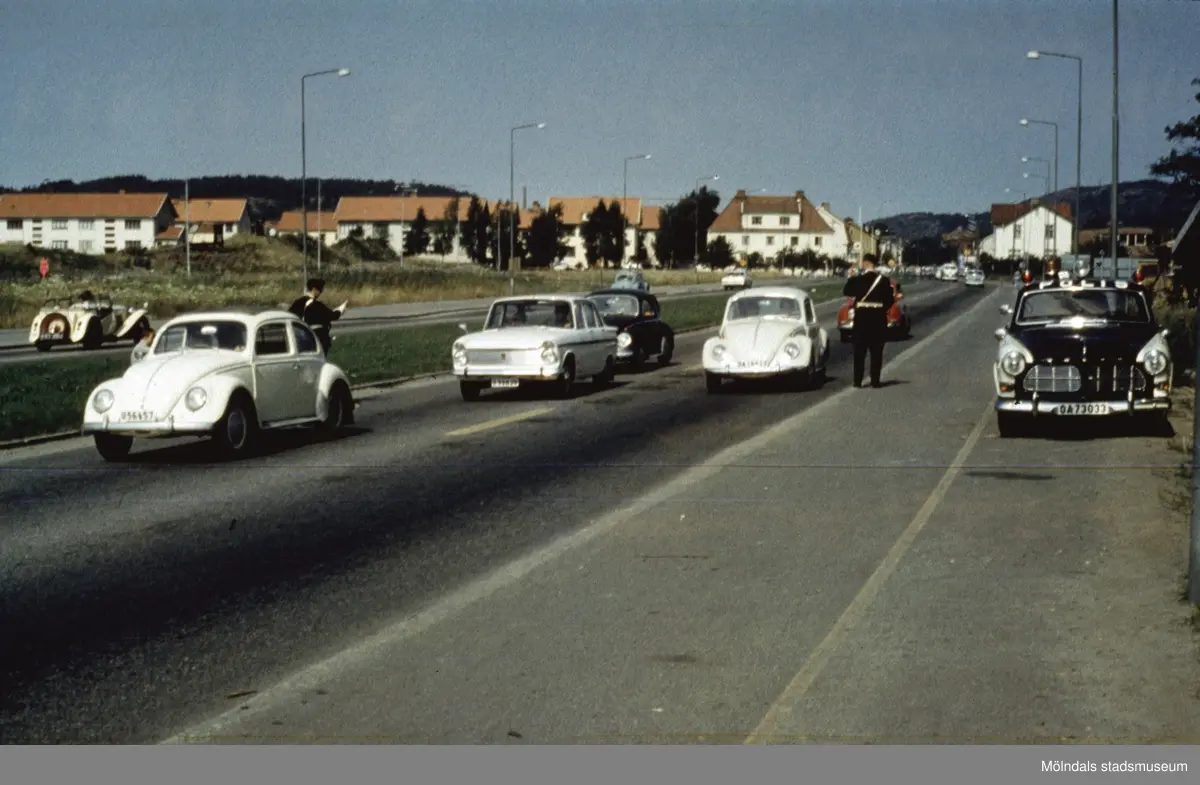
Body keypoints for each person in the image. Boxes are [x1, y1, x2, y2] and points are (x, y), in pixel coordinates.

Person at [842, 253, 894, 388]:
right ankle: (875, 381)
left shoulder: (858, 280)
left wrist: (851, 277)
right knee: (876, 352)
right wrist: (881, 309)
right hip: (878, 320)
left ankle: (857, 381)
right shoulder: (884, 281)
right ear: (875, 264)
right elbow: (890, 300)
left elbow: (846, 291)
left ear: (865, 264)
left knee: (859, 352)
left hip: (861, 320)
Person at [289, 277, 347, 354]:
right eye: (320, 289)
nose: (321, 292)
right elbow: (332, 316)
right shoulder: (317, 305)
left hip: (300, 339)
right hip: (318, 339)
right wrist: (341, 309)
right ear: (314, 289)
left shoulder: (297, 303)